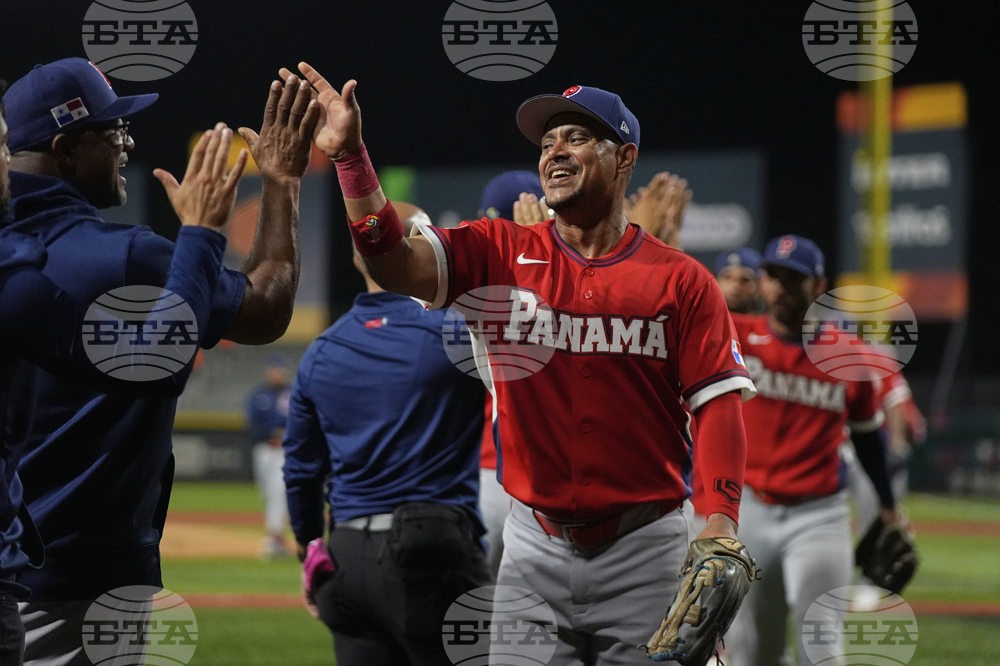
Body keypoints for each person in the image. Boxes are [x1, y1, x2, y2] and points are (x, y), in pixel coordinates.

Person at [290, 61, 756, 665]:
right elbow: (390, 262)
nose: (555, 152)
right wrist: (353, 158)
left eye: (578, 137)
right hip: (533, 548)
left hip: (647, 545)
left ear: (625, 158)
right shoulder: (498, 250)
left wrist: (720, 522)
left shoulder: (684, 280)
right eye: (547, 142)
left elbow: (717, 403)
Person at [1, 58, 318, 664]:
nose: (128, 141)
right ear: (66, 150)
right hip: (77, 584)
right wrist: (278, 184)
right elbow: (266, 307)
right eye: (112, 130)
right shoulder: (123, 259)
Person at [282, 202, 491, 666]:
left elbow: (300, 470)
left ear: (359, 257)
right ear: (421, 245)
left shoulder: (321, 350)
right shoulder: (456, 333)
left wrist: (310, 546)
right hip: (432, 552)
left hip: (347, 558)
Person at [723, 234, 904, 666]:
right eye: (772, 276)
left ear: (817, 286)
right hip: (751, 510)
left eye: (793, 278)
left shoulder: (849, 357)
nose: (780, 287)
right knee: (753, 652)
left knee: (821, 648)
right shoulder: (738, 337)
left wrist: (888, 505)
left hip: (819, 516)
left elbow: (867, 439)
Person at [246, 355, 292, 559]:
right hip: (264, 449)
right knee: (266, 492)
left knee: (277, 490)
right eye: (274, 369)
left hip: (283, 451)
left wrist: (284, 433)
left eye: (279, 369)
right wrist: (271, 432)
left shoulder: (291, 393)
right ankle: (277, 535)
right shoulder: (259, 395)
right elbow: (253, 422)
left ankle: (274, 536)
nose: (276, 373)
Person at [714, 247, 765, 315]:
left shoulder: (772, 324)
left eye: (745, 280)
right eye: (728, 278)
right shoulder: (702, 322)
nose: (736, 286)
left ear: (758, 286)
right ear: (717, 282)